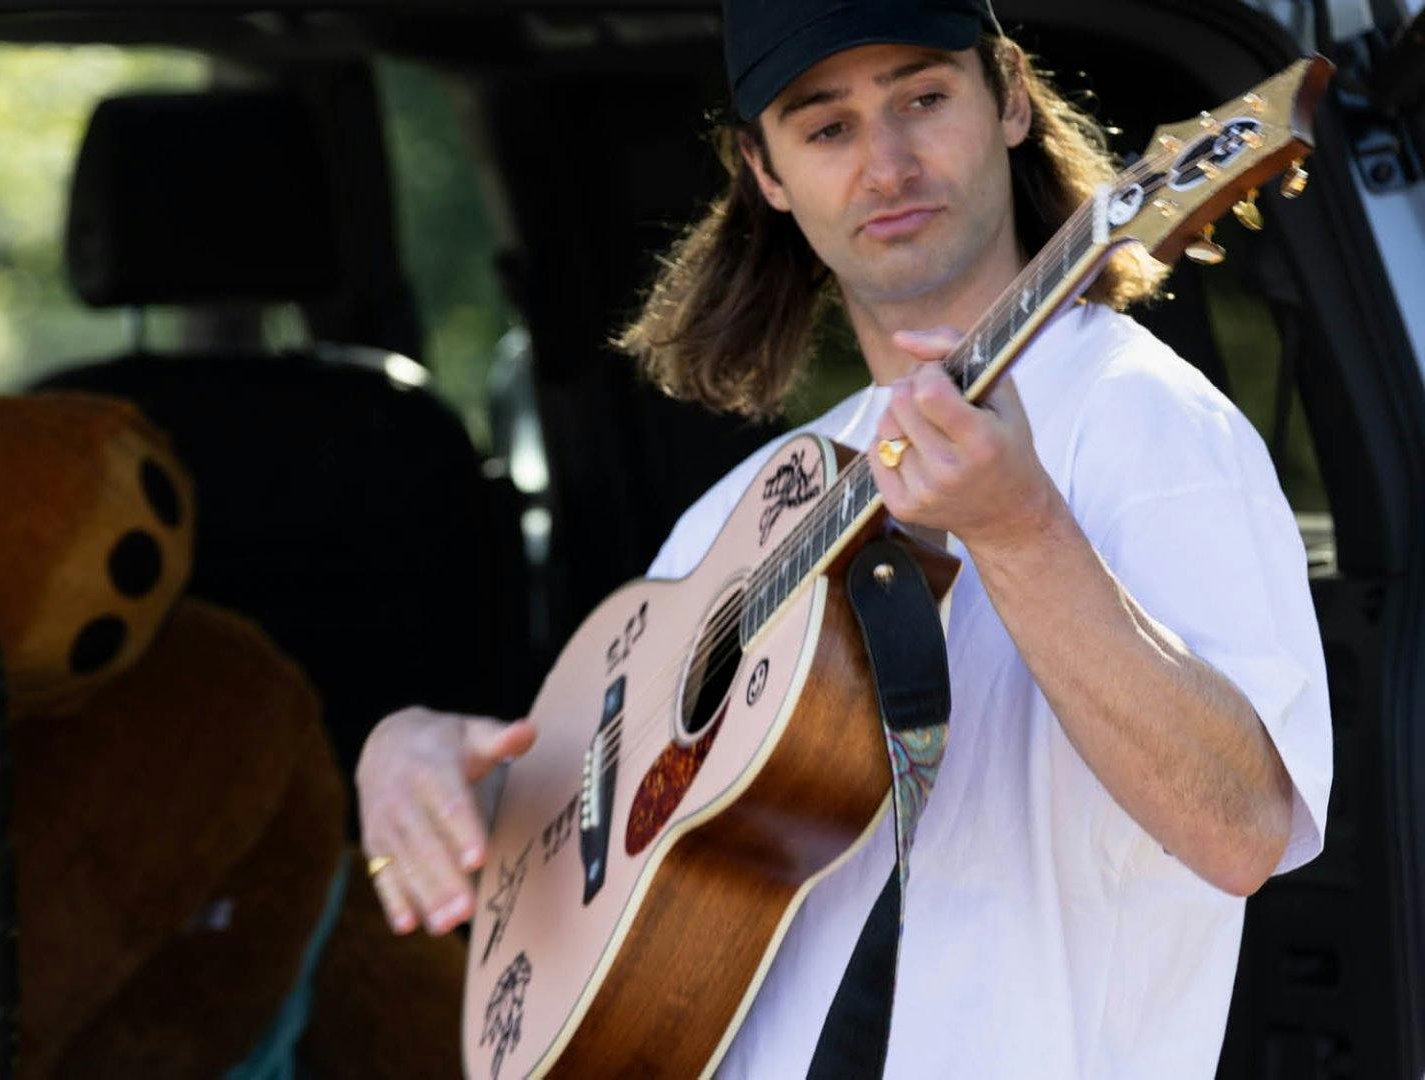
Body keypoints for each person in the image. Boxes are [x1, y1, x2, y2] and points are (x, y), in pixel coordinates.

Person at [353, 1, 1333, 1074]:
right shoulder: (742, 512)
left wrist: (1019, 532)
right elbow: (594, 829)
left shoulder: (1146, 422)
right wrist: (421, 763)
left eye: (923, 99)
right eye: (827, 128)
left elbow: (1244, 830)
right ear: (764, 171)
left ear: (1010, 96)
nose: (887, 165)